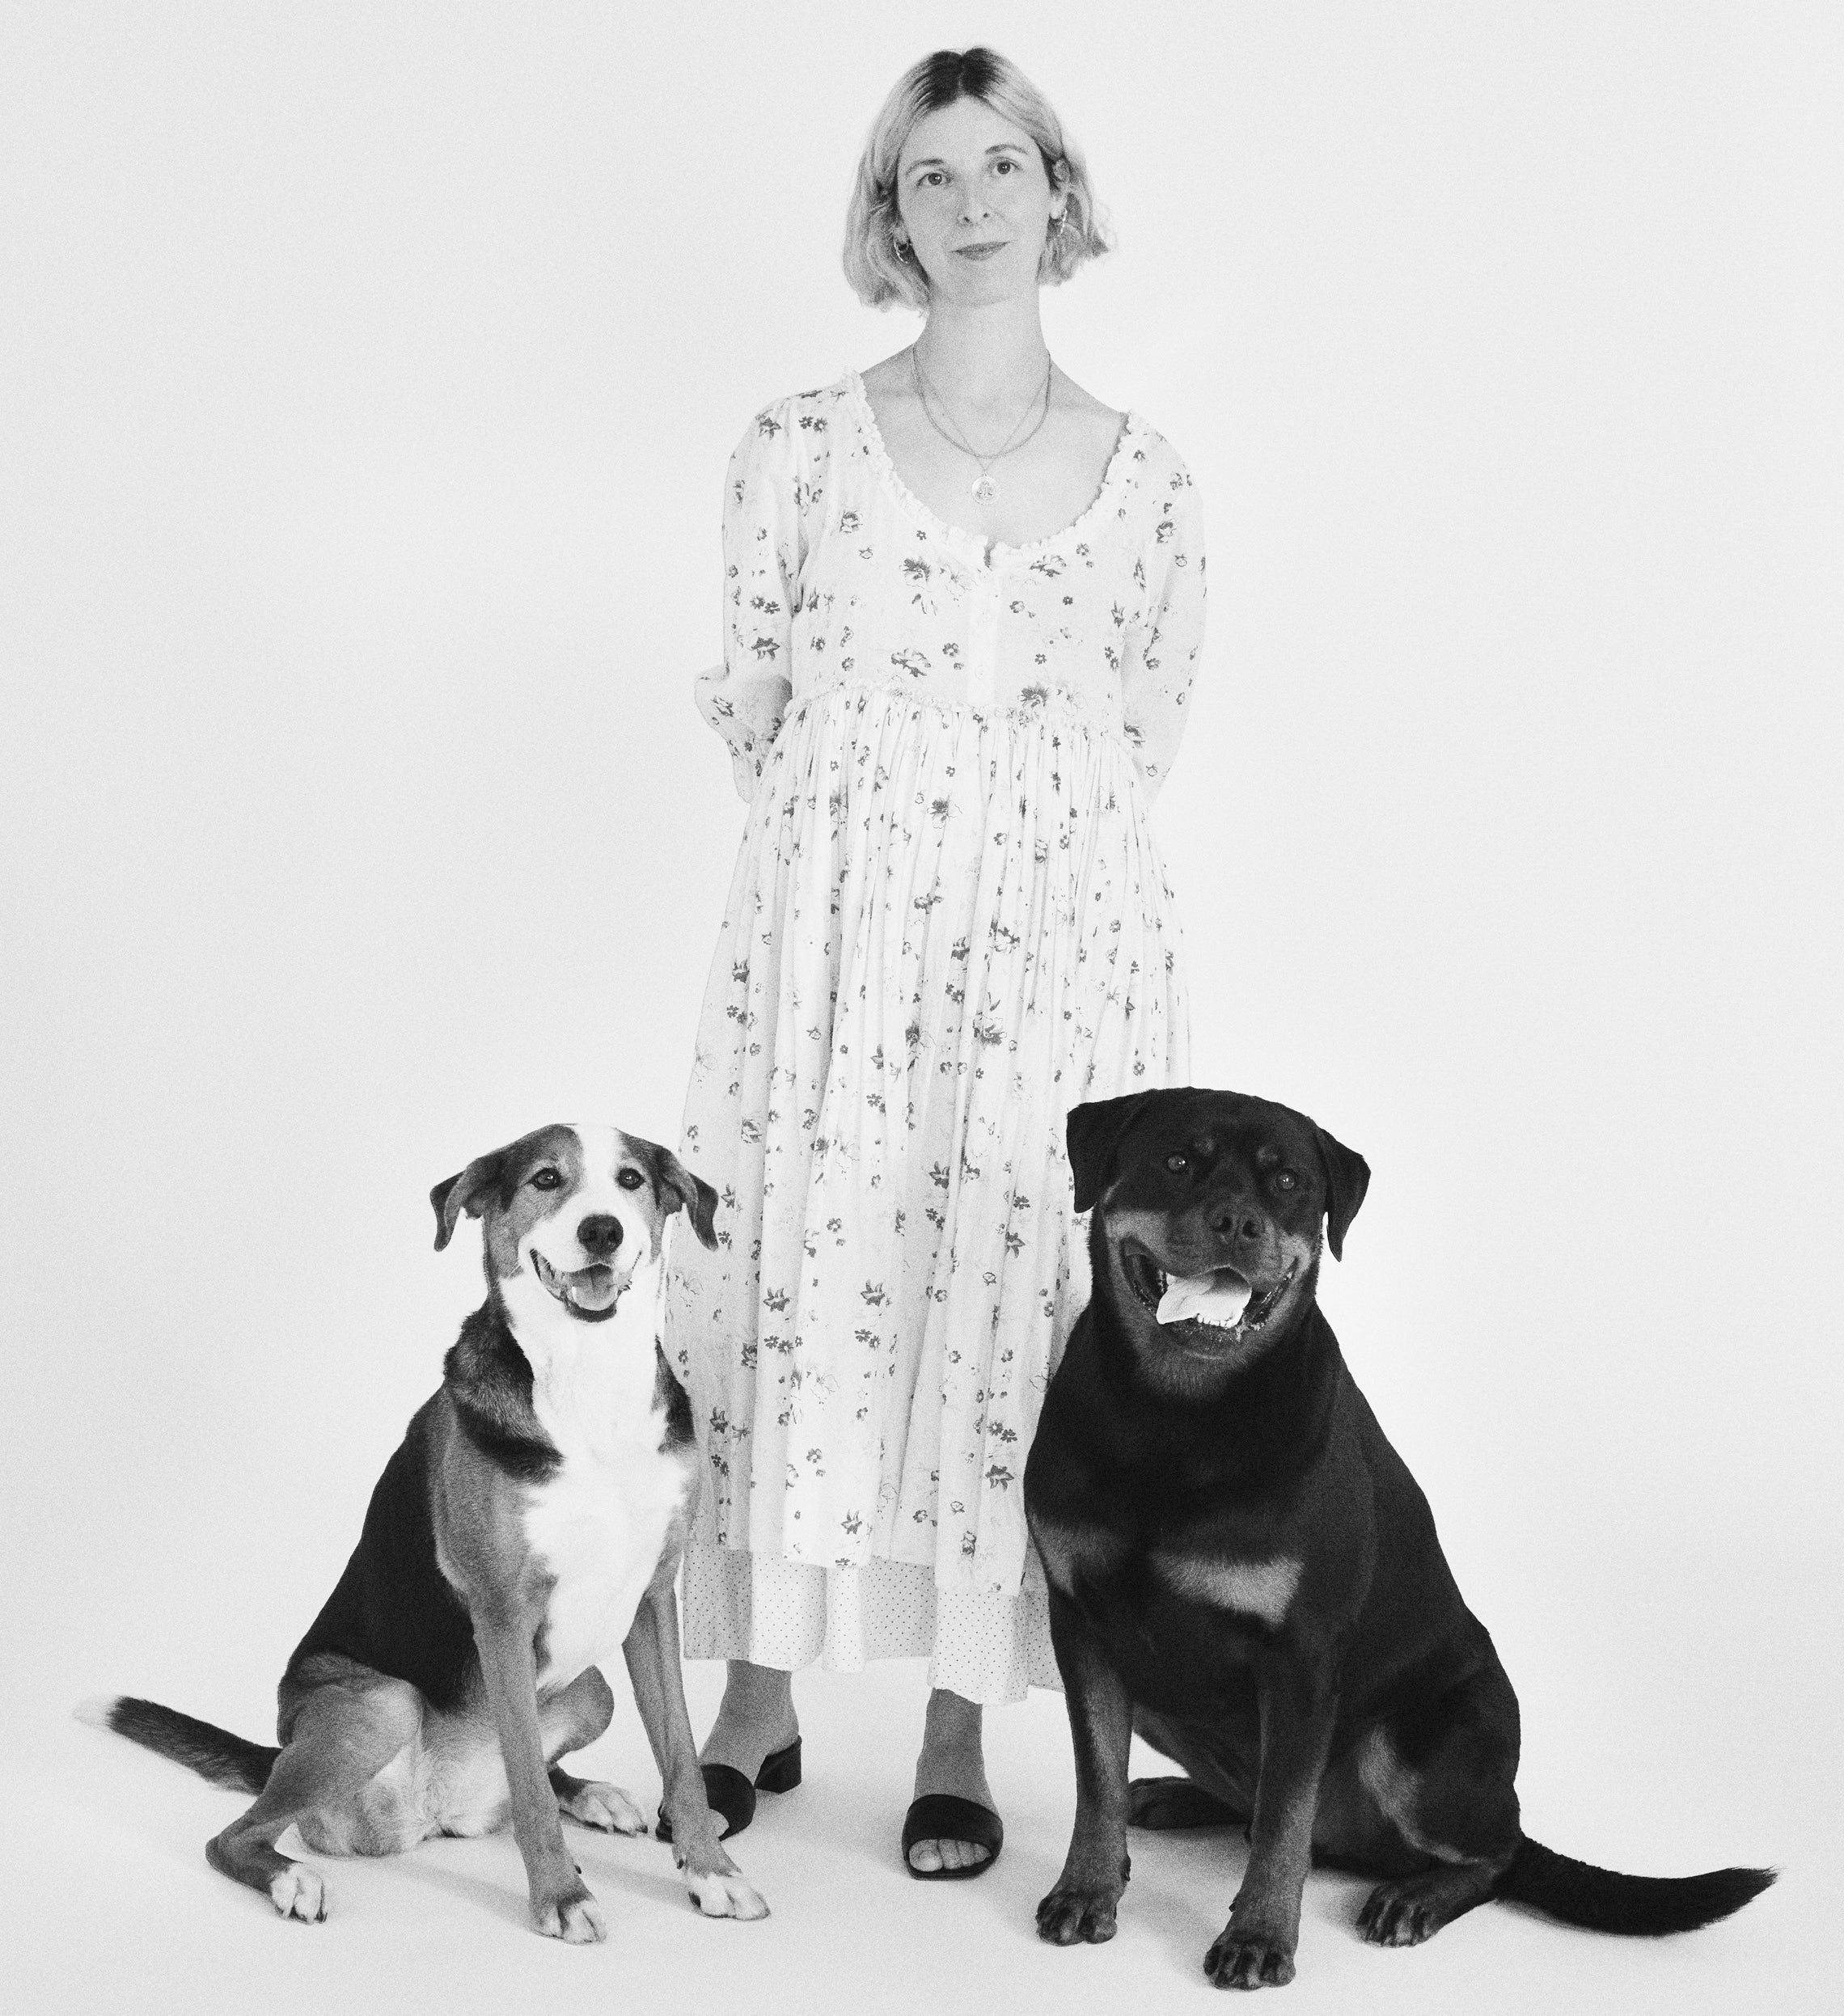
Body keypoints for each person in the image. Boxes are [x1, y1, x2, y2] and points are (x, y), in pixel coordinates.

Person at [664, 44, 1205, 1879]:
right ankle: (755, 1692)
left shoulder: (1147, 482)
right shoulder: (797, 448)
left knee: (997, 1302)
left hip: (1060, 960)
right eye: (929, 178)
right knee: (802, 1276)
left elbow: (1139, 739)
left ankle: (963, 1721)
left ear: (1061, 192)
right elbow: (757, 705)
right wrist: (872, 864)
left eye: (1002, 167)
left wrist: (1006, 860)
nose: (971, 206)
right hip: (832, 943)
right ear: (887, 220)